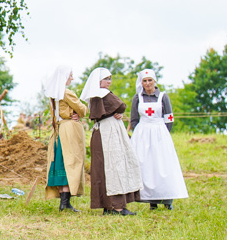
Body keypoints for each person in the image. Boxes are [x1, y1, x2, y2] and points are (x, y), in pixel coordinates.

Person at [81, 67, 142, 215]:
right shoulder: (102, 94)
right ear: (98, 81)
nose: (109, 82)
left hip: (103, 131)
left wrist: (116, 113)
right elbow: (120, 105)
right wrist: (117, 112)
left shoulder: (96, 95)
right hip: (107, 134)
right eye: (106, 79)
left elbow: (114, 110)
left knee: (106, 168)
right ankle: (117, 207)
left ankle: (109, 206)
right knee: (114, 167)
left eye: (110, 79)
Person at [129, 69, 188, 209]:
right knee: (147, 167)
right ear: (141, 82)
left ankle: (167, 201)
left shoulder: (163, 97)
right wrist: (140, 134)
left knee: (163, 166)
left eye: (150, 80)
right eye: (145, 81)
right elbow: (134, 119)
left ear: (154, 81)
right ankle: (151, 201)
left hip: (159, 134)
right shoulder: (138, 98)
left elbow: (169, 118)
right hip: (143, 135)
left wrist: (163, 134)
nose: (148, 83)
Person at [44, 65, 87, 212]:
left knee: (62, 162)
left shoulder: (53, 94)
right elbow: (82, 109)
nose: (72, 78)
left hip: (59, 129)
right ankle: (65, 202)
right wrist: (79, 112)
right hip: (68, 129)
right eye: (70, 75)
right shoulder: (66, 92)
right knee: (71, 162)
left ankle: (64, 202)